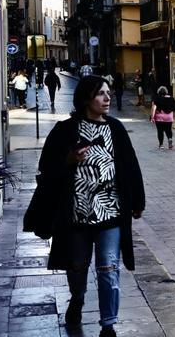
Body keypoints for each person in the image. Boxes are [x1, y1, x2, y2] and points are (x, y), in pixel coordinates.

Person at [33, 76, 145, 337]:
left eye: (108, 93)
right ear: (85, 98)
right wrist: (68, 160)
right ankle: (78, 299)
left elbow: (130, 166)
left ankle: (108, 324)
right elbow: (46, 169)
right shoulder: (65, 130)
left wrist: (137, 201)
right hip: (77, 215)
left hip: (111, 214)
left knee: (108, 269)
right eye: (100, 94)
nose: (107, 99)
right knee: (78, 267)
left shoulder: (116, 129)